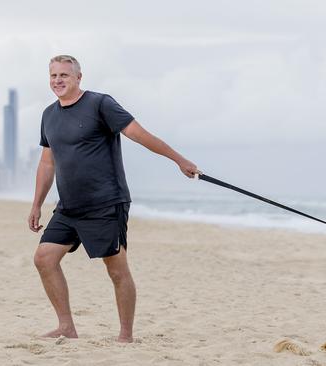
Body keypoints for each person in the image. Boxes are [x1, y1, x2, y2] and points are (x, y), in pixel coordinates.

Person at [28, 55, 198, 343]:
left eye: (64, 76)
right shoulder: (49, 115)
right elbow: (47, 162)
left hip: (105, 202)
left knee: (117, 270)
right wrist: (36, 204)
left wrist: (179, 161)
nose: (58, 81)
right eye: (53, 76)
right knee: (44, 258)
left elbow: (140, 135)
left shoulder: (100, 104)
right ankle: (66, 327)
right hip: (69, 206)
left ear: (79, 78)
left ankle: (125, 336)